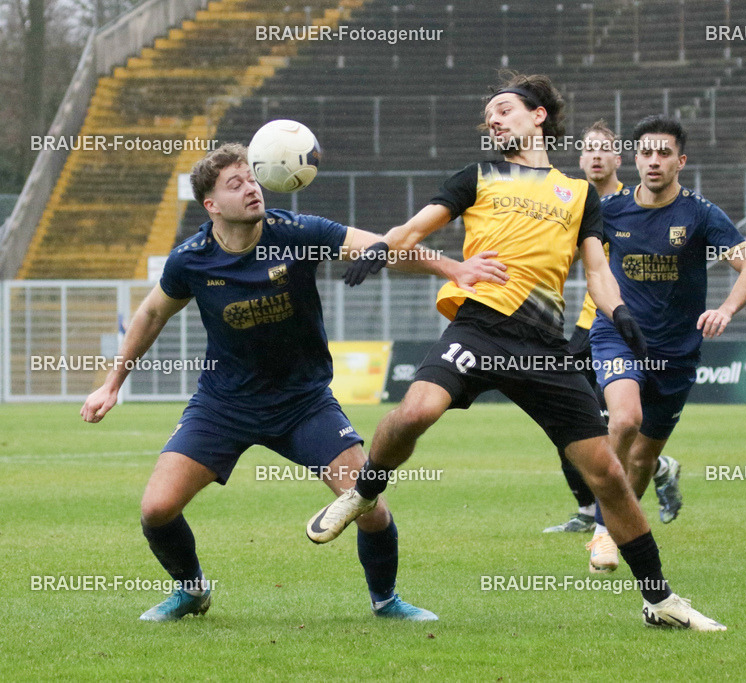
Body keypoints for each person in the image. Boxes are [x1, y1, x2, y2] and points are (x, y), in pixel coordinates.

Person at [307, 72, 726, 630]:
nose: (495, 120)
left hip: (543, 346)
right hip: (479, 327)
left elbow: (598, 271)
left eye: (504, 109)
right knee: (414, 413)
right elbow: (413, 228)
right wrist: (384, 249)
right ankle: (364, 491)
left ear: (538, 116)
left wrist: (619, 312)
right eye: (490, 117)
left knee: (606, 473)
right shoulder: (477, 177)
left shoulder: (579, 194)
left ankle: (660, 600)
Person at [80, 143, 508, 622]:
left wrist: (452, 267)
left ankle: (386, 602)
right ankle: (192, 591)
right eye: (236, 184)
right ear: (211, 205)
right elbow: (151, 314)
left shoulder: (299, 233)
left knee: (369, 508)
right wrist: (112, 384)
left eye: (252, 178)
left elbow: (381, 248)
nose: (251, 188)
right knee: (156, 509)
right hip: (223, 406)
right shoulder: (191, 259)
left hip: (304, 404)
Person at [585, 115, 746, 573]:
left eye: (664, 153)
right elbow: (577, 255)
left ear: (680, 161)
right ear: (635, 159)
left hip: (677, 352)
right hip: (619, 334)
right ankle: (602, 531)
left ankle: (620, 529)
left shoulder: (701, 214)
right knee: (625, 419)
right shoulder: (611, 209)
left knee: (644, 457)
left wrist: (725, 309)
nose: (654, 161)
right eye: (646, 152)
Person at [545, 121, 685, 533]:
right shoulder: (576, 203)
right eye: (588, 149)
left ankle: (625, 493)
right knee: (564, 420)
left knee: (615, 424)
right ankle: (595, 506)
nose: (595, 156)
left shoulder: (634, 202)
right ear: (580, 158)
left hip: (624, 328)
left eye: (603, 149)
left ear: (619, 158)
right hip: (586, 327)